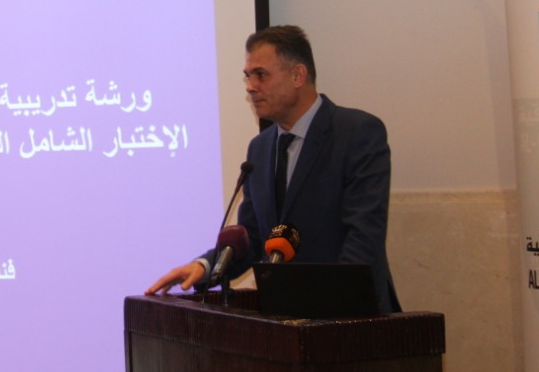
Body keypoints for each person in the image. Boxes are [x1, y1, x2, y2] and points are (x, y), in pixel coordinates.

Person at [146, 24, 400, 313]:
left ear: (298, 75)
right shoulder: (260, 148)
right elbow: (252, 238)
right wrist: (204, 266)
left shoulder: (357, 134)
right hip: (286, 321)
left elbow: (364, 236)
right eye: (248, 76)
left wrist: (330, 307)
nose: (250, 86)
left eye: (261, 75)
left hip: (352, 319)